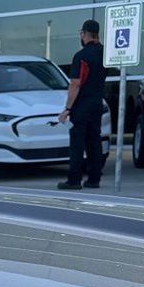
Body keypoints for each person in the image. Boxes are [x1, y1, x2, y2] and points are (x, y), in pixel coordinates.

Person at [57, 19, 107, 190]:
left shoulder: (81, 56)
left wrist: (67, 109)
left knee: (77, 144)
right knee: (94, 142)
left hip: (81, 106)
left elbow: (75, 84)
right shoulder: (105, 54)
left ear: (84, 34)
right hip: (97, 104)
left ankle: (74, 180)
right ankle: (94, 179)